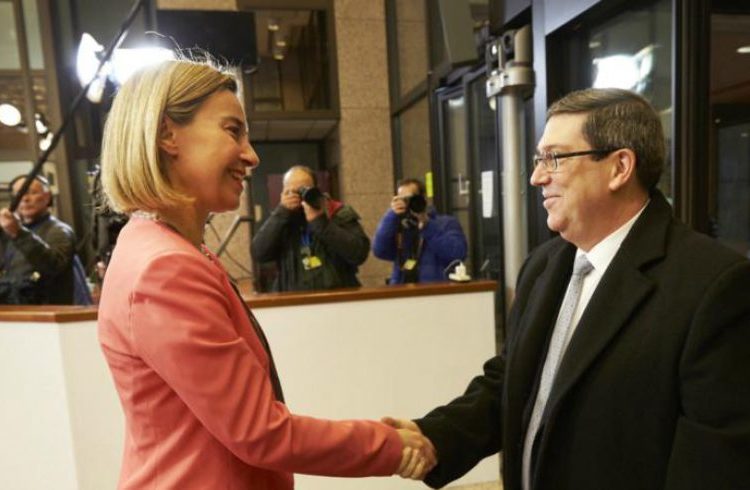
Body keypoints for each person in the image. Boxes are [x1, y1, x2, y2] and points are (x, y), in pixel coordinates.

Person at [383, 88, 750, 489]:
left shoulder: (714, 285)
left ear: (619, 167)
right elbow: (511, 382)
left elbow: (713, 464)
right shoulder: (544, 265)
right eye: (539, 159)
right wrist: (436, 437)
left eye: (553, 158)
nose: (536, 176)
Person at [97, 58, 435, 489]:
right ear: (167, 134)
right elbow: (260, 432)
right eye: (232, 130)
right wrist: (387, 445)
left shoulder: (153, 245)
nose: (250, 155)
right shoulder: (166, 267)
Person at [251, 165, 370, 291]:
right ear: (283, 193)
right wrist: (281, 213)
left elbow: (359, 253)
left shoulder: (337, 212)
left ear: (315, 189)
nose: (297, 196)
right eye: (291, 191)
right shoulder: (281, 219)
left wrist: (320, 222)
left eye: (303, 190)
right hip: (293, 301)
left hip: (337, 300)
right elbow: (259, 254)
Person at [372, 178, 467, 283]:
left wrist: (427, 226)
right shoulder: (399, 225)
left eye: (411, 199)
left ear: (422, 199)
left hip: (434, 292)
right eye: (403, 200)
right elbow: (380, 251)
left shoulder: (445, 223)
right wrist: (391, 215)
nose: (407, 204)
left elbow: (458, 253)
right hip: (402, 291)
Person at [0, 174, 76, 304]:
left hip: (47, 314)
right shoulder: (7, 234)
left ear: (47, 197)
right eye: (19, 194)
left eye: (32, 193)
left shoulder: (60, 231)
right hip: (12, 313)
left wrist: (19, 233)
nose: (25, 199)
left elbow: (53, 265)